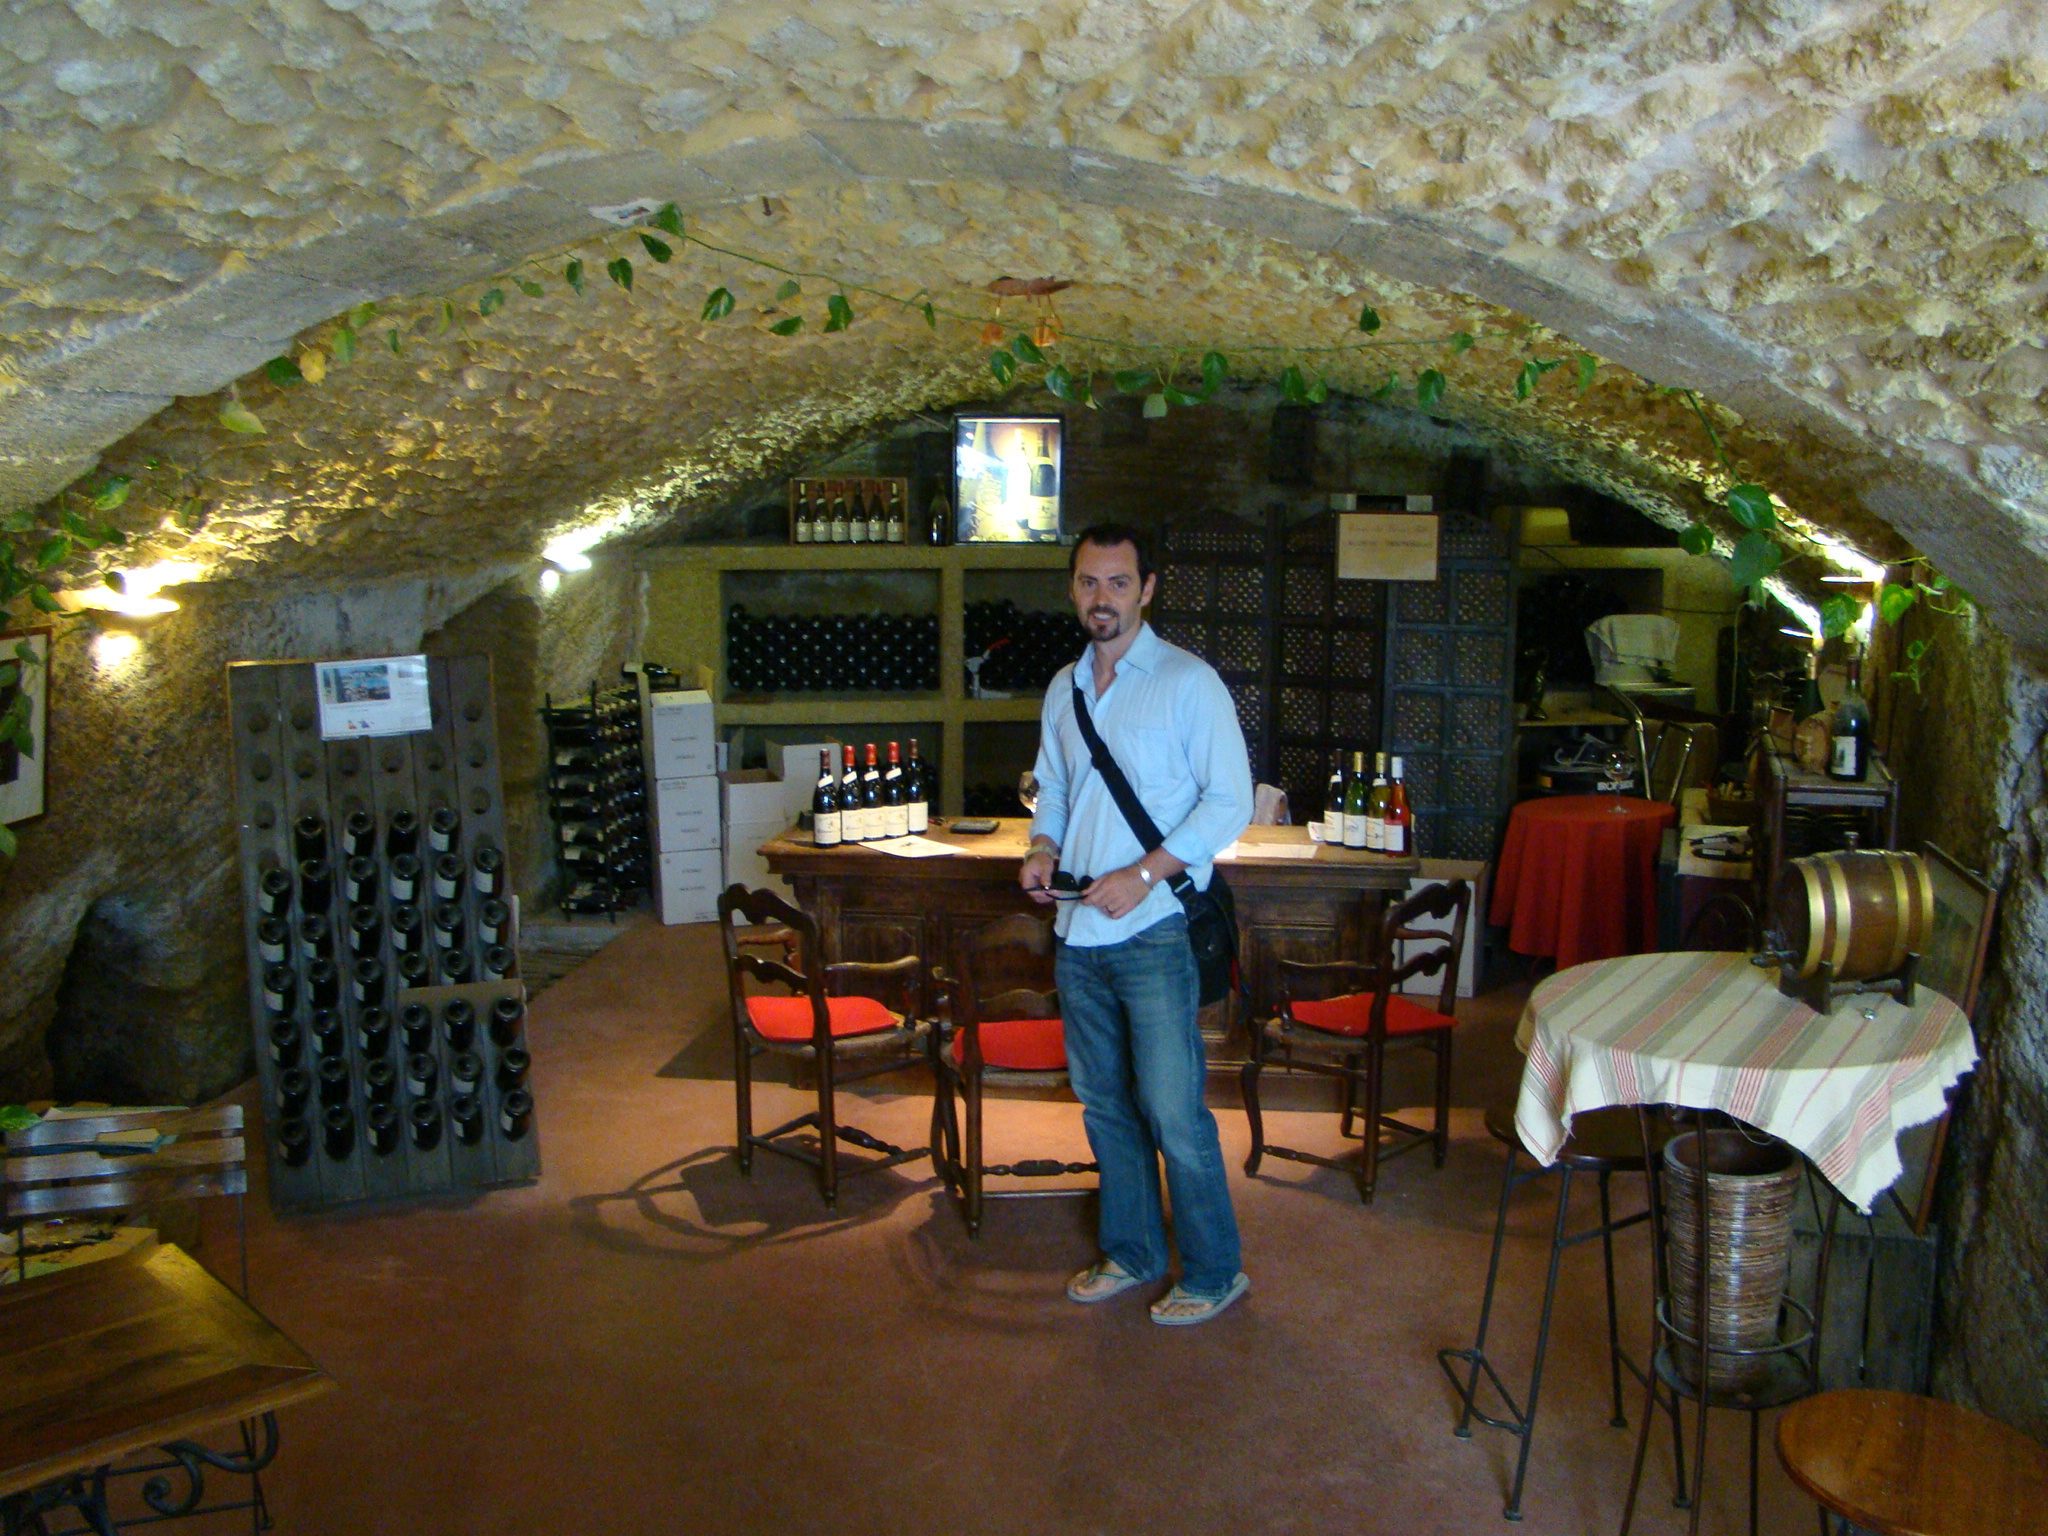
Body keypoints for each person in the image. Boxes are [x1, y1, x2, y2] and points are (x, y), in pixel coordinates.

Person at [1018, 522, 1254, 1326]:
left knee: (1173, 1111)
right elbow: (1055, 786)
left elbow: (1228, 802)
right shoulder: (1064, 688)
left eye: (1119, 583)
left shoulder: (1190, 682)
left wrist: (1144, 873)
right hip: (1076, 930)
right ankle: (1133, 1251)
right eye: (1089, 582)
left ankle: (1216, 1271)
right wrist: (1042, 847)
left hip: (1153, 930)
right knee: (1104, 1106)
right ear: (1072, 589)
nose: (1102, 598)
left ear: (1147, 589)